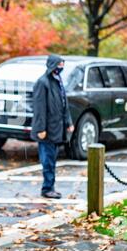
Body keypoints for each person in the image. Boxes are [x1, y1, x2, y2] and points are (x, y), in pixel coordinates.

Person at [30, 54, 74, 199]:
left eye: (62, 64)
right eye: (59, 64)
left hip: (57, 128)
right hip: (46, 130)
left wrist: (68, 122)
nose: (61, 67)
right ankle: (47, 188)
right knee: (47, 161)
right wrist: (41, 129)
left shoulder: (58, 81)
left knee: (52, 160)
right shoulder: (42, 83)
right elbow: (39, 108)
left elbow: (64, 104)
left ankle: (50, 186)